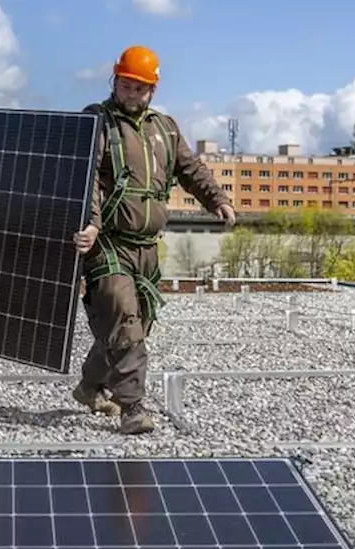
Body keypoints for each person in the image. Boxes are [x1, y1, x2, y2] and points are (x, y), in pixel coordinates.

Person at [72, 46, 236, 434]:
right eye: (125, 86)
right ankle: (133, 408)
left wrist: (218, 199)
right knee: (124, 322)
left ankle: (89, 386)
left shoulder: (165, 128)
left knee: (131, 329)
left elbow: (190, 168)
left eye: (140, 89)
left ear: (153, 90)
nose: (131, 94)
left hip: (147, 247)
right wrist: (91, 223)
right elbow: (85, 178)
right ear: (114, 81)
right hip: (106, 243)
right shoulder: (96, 121)